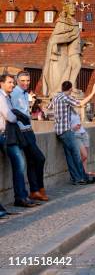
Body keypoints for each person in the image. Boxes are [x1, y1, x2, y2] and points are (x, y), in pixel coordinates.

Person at [0, 74, 39, 207]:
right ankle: (21, 197)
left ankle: (22, 196)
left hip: (8, 134)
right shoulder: (1, 97)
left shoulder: (7, 97)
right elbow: (10, 117)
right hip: (4, 135)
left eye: (12, 82)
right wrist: (18, 116)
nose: (12, 85)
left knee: (20, 164)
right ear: (1, 83)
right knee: (20, 163)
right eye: (10, 82)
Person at [50, 80, 95, 185]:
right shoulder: (66, 98)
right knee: (76, 155)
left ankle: (75, 178)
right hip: (66, 130)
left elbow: (48, 108)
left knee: (69, 156)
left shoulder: (56, 97)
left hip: (59, 130)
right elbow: (81, 103)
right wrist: (93, 93)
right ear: (71, 89)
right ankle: (83, 178)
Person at [11, 71, 48, 202]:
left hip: (29, 130)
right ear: (17, 80)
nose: (26, 83)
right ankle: (39, 188)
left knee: (32, 161)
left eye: (28, 80)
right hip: (23, 132)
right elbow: (13, 113)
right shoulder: (15, 93)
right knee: (40, 158)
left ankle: (34, 191)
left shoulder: (24, 93)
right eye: (23, 81)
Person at [71, 109, 93, 176]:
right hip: (76, 135)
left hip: (84, 133)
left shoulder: (74, 110)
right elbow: (64, 127)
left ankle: (84, 172)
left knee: (85, 157)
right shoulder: (65, 112)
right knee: (84, 155)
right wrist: (73, 128)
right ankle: (77, 169)